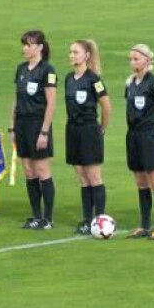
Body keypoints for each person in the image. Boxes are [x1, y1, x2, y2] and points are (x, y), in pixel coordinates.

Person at [11, 30, 57, 230]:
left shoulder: (48, 70)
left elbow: (51, 103)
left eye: (29, 45)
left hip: (38, 124)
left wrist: (44, 131)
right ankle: (36, 216)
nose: (25, 48)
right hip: (21, 124)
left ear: (39, 47)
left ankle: (48, 218)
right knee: (29, 171)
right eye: (24, 44)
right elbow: (16, 99)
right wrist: (12, 125)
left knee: (42, 170)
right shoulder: (21, 69)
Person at [64, 40, 111, 235]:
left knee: (93, 177)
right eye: (70, 52)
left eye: (76, 52)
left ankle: (99, 220)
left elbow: (106, 106)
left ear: (87, 56)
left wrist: (102, 128)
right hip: (72, 131)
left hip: (89, 130)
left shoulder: (94, 80)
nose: (71, 55)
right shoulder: (68, 78)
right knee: (82, 178)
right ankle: (86, 220)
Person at [124, 44, 154, 240]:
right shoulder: (130, 83)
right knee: (141, 182)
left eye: (136, 58)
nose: (133, 62)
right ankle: (144, 225)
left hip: (149, 134)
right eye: (131, 59)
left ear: (147, 60)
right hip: (133, 136)